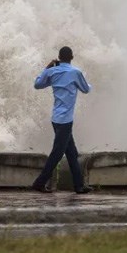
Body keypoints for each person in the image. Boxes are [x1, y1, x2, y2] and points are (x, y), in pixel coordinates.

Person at [31, 46, 93, 194]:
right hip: (66, 120)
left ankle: (79, 186)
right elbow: (86, 89)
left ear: (58, 57)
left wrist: (46, 68)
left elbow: (37, 85)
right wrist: (83, 83)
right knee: (57, 153)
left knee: (71, 152)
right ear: (72, 57)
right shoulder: (75, 73)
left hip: (56, 119)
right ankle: (39, 183)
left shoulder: (52, 72)